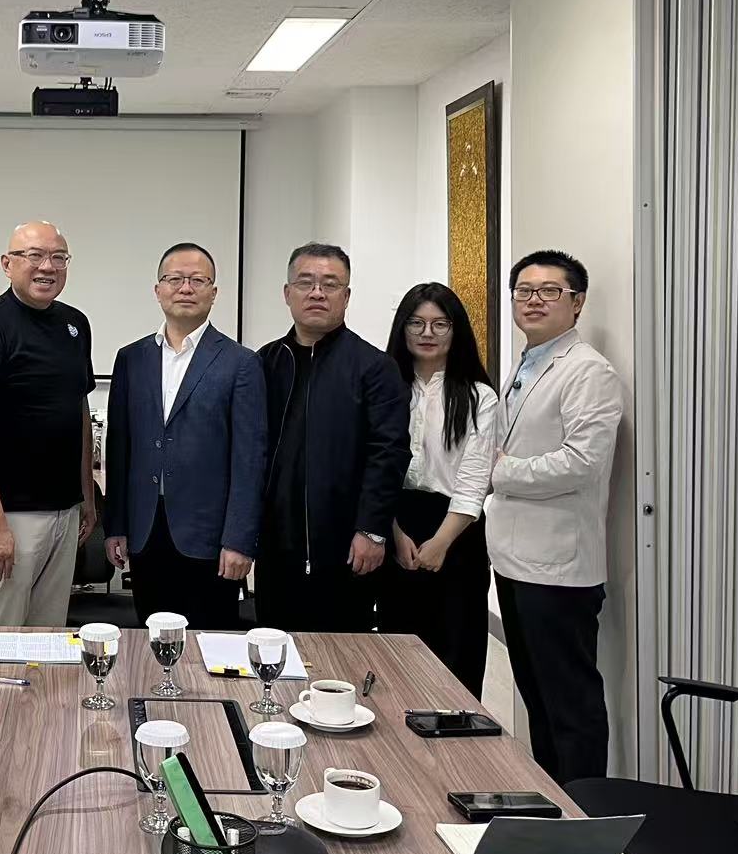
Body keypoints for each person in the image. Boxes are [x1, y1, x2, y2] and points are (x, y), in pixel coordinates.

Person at [488, 250, 623, 785]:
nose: (534, 300)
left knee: (571, 707)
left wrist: (501, 472)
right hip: (516, 560)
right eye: (524, 291)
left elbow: (583, 463)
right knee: (538, 700)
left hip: (559, 570)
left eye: (550, 291)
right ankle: (553, 804)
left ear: (577, 302)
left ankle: (584, 813)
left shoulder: (588, 371)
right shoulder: (527, 362)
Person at [103, 243, 266, 628]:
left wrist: (239, 539)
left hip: (211, 537)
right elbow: (119, 449)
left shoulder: (241, 363)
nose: (186, 288)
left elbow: (250, 460)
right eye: (175, 279)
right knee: (150, 639)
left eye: (197, 280)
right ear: (158, 290)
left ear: (214, 292)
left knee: (209, 643)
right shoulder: (131, 358)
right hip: (145, 531)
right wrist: (116, 526)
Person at [254, 243, 409, 632]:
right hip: (275, 544)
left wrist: (372, 530)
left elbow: (389, 453)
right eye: (305, 282)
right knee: (274, 646)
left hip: (346, 546)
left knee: (342, 653)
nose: (317, 293)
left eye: (330, 284)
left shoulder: (374, 367)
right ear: (287, 293)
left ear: (347, 295)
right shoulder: (265, 362)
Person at [0, 220, 97, 628]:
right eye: (34, 255)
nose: (47, 267)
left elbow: (79, 413)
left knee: (48, 636)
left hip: (64, 511)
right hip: (10, 517)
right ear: (7, 263)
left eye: (58, 257)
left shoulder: (75, 325)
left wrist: (86, 497)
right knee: (3, 638)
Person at [376, 283, 498, 698]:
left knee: (457, 654)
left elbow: (476, 477)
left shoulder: (479, 396)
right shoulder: (386, 389)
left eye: (440, 324)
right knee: (398, 655)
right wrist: (393, 533)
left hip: (458, 532)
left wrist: (442, 542)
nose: (427, 332)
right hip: (396, 525)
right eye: (416, 323)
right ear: (403, 328)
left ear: (455, 330)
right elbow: (374, 469)